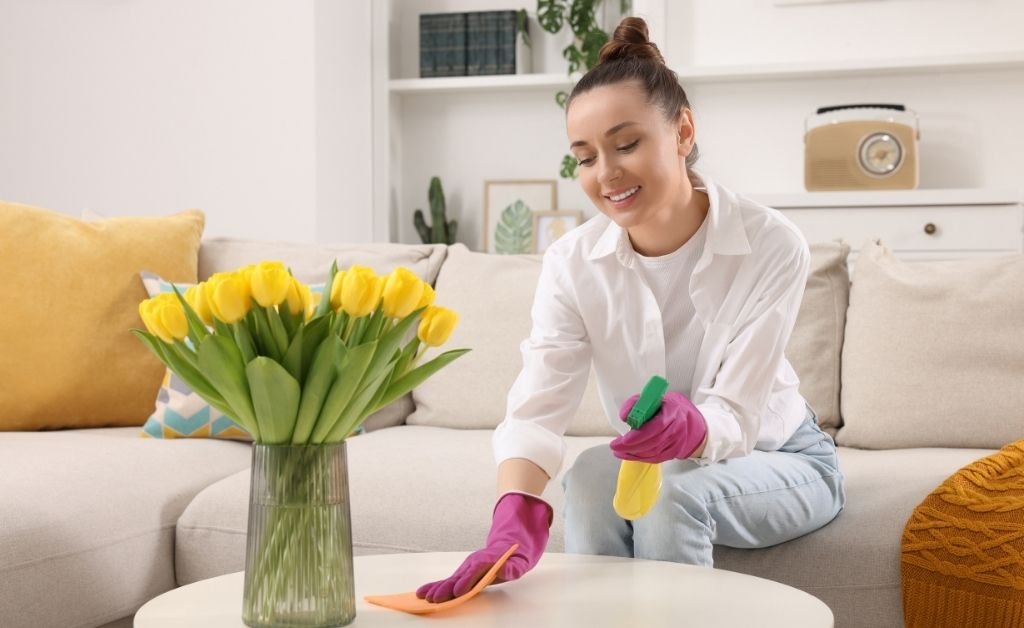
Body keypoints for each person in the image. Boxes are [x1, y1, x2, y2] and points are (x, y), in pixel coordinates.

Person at [416, 16, 846, 604]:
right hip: (658, 466)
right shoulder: (572, 261)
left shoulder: (771, 244)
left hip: (782, 457)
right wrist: (513, 513)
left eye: (627, 144)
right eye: (585, 157)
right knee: (590, 475)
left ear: (683, 131)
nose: (606, 173)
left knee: (674, 492)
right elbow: (538, 407)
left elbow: (737, 414)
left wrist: (692, 426)